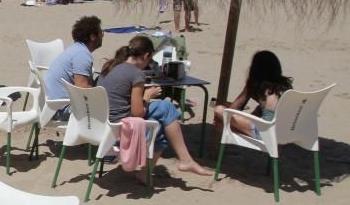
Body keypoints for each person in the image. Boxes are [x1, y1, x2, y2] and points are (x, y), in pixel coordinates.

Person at [97, 35, 212, 178]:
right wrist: (147, 96)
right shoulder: (136, 74)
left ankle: (182, 161)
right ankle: (182, 161)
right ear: (146, 55)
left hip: (102, 124)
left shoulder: (110, 67)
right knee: (165, 113)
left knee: (164, 110)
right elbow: (138, 113)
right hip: (120, 127)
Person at [213, 51, 292, 140]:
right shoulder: (284, 86)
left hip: (268, 134)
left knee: (219, 110)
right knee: (258, 110)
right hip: (288, 131)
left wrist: (247, 89)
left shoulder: (271, 93)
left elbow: (232, 110)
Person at [44, 15, 104, 102]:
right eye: (101, 32)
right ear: (92, 37)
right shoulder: (82, 55)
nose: (102, 36)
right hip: (62, 106)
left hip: (53, 101)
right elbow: (81, 89)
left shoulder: (76, 49)